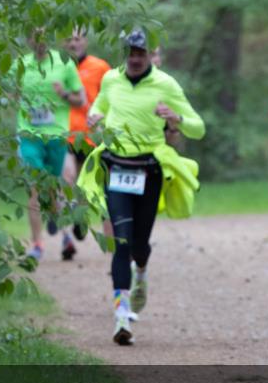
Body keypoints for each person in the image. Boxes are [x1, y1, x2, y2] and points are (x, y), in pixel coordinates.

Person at [85, 29, 205, 345]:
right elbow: (98, 106)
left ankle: (141, 272)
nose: (135, 58)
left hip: (149, 170)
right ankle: (121, 316)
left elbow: (198, 128)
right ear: (124, 54)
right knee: (120, 241)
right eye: (131, 53)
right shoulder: (111, 79)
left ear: (151, 55)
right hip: (116, 165)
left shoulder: (166, 84)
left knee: (140, 243)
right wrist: (94, 116)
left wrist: (175, 117)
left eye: (141, 53)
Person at [15, 27, 86, 262]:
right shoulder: (20, 65)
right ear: (28, 39)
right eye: (35, 36)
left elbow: (81, 100)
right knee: (34, 189)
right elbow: (10, 94)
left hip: (56, 136)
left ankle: (65, 234)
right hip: (30, 136)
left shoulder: (64, 63)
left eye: (44, 35)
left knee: (55, 189)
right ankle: (37, 244)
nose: (40, 41)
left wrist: (64, 94)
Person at [62, 27, 113, 247]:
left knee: (87, 184)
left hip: (91, 135)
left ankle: (80, 216)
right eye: (69, 39)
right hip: (65, 134)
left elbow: (112, 97)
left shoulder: (100, 67)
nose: (74, 44)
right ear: (64, 44)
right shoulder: (58, 67)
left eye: (78, 39)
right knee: (68, 178)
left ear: (86, 41)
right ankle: (75, 210)